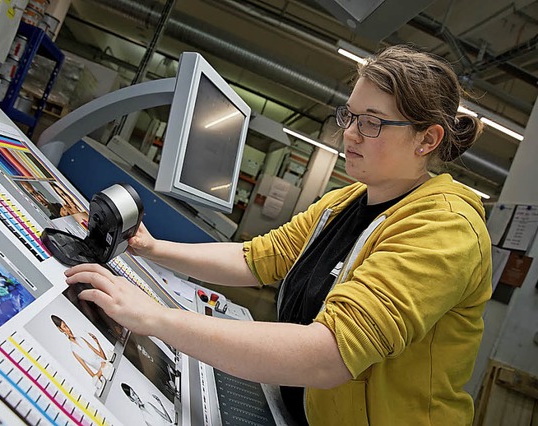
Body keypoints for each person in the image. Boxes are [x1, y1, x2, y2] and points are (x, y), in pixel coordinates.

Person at [64, 45, 492, 425]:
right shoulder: (345, 203)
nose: (350, 133)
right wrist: (154, 248)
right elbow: (257, 259)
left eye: (373, 123)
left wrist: (157, 319)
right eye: (350, 116)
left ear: (427, 139)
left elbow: (330, 355)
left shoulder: (446, 229)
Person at [50, 315, 114, 394]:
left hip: (109, 366)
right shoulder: (74, 350)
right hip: (105, 374)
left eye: (67, 325)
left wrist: (97, 343)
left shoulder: (81, 339)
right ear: (61, 330)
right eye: (64, 327)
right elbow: (94, 376)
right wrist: (102, 368)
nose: (68, 329)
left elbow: (102, 357)